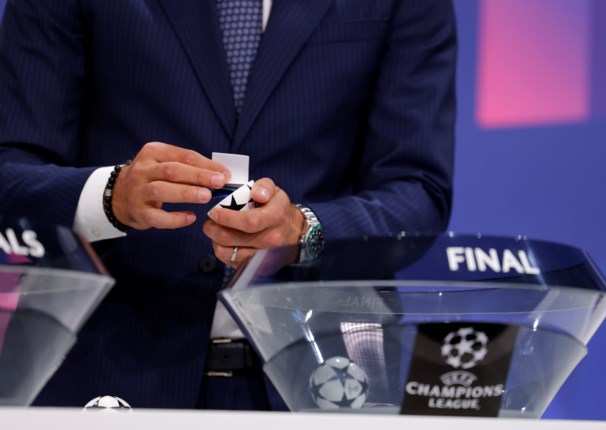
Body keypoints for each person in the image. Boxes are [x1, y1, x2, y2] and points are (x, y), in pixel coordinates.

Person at [0, 0, 456, 410]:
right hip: (107, 369)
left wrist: (304, 231)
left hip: (323, 378)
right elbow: (11, 169)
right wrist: (111, 196)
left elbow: (418, 190)